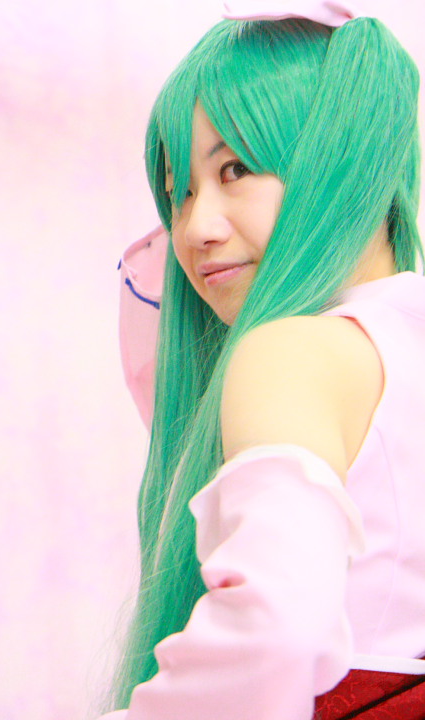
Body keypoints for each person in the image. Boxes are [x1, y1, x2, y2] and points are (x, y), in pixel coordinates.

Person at [104, 2, 425, 717]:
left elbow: (276, 628)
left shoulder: (292, 351)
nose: (196, 228)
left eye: (236, 169)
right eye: (179, 193)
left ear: (345, 158)